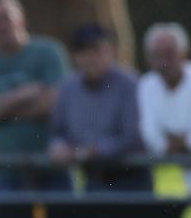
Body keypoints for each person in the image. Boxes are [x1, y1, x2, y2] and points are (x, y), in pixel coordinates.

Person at [0, 0, 70, 189]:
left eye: (4, 17)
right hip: (2, 174)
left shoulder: (49, 53)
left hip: (52, 170)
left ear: (21, 17)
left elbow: (55, 102)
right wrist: (22, 95)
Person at [49, 24, 148, 191]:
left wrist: (92, 152)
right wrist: (58, 146)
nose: (89, 57)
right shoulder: (68, 87)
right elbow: (58, 131)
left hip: (131, 180)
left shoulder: (130, 85)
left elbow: (132, 137)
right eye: (82, 51)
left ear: (111, 50)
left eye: (96, 49)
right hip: (92, 181)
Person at [138, 23, 191, 195]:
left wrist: (172, 140)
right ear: (148, 59)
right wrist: (184, 140)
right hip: (169, 189)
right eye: (157, 55)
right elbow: (152, 138)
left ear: (184, 53)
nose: (164, 61)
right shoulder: (146, 85)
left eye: (170, 53)